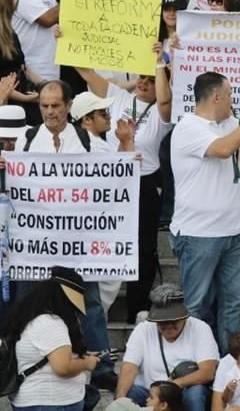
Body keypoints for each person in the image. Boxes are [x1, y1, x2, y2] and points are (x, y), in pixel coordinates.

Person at [169, 73, 240, 350]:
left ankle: (231, 366)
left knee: (232, 304)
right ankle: (193, 367)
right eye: (230, 95)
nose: (233, 100)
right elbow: (224, 148)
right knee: (196, 306)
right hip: (198, 235)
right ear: (216, 97)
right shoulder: (188, 127)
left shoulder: (229, 123)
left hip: (232, 231)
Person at [74, 46, 172, 322]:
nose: (143, 82)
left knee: (143, 245)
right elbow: (86, 72)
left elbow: (165, 102)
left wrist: (158, 65)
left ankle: (138, 307)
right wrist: (67, 37)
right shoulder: (119, 97)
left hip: (145, 183)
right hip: (112, 179)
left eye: (150, 81)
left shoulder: (159, 114)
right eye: (141, 77)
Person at [1, 266, 97, 411]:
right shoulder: (50, 323)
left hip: (39, 400)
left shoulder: (31, 319)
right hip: (52, 402)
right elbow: (62, 367)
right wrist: (87, 364)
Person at [115, 285, 219, 411]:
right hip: (150, 393)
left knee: (195, 394)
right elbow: (129, 368)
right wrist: (120, 401)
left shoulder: (200, 328)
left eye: (174, 321)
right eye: (163, 322)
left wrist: (172, 386)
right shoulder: (142, 330)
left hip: (184, 391)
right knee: (131, 393)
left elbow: (207, 372)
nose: (169, 326)